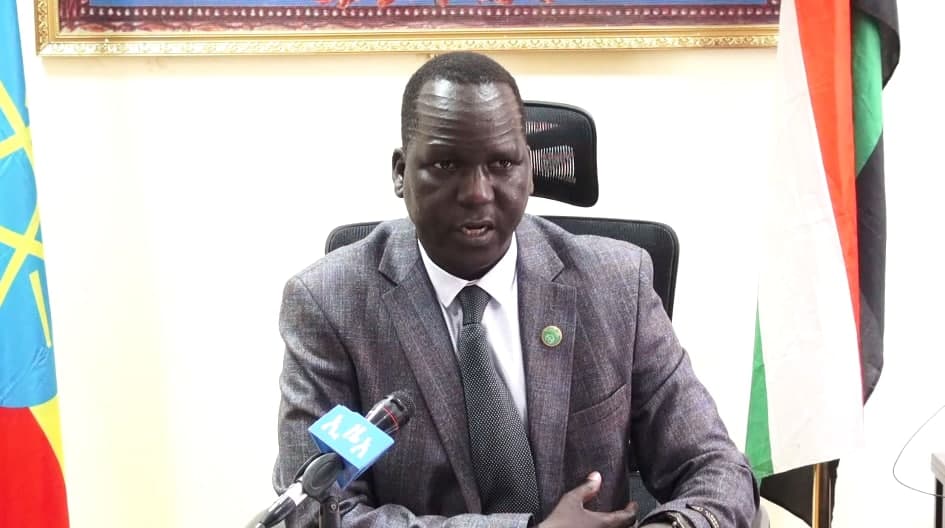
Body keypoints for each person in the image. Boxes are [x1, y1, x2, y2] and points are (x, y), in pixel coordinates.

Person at [273, 51, 758, 528]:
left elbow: (715, 467)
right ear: (401, 172)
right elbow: (314, 511)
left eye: (502, 163)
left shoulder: (616, 284)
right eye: (446, 165)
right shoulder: (328, 304)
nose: (477, 192)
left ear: (528, 170)